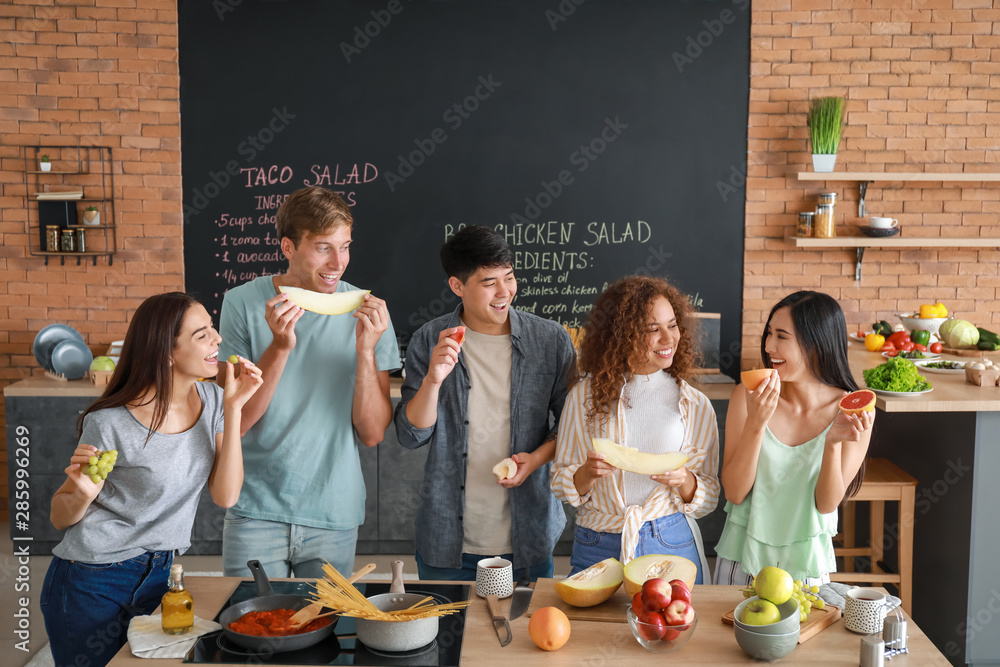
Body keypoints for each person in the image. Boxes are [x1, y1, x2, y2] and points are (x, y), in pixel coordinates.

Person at [40, 292, 263, 667]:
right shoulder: (110, 421)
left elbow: (226, 495)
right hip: (91, 579)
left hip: (161, 575)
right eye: (202, 334)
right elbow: (60, 518)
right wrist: (82, 493)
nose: (217, 339)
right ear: (167, 352)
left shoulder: (213, 401)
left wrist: (234, 408)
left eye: (212, 329)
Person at [218, 186, 400, 578]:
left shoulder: (369, 314)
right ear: (289, 246)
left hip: (333, 511)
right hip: (255, 510)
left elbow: (371, 434)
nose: (339, 262)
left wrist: (366, 352)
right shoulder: (240, 303)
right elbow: (237, 420)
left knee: (325, 636)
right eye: (323, 248)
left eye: (346, 246)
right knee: (252, 630)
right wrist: (280, 347)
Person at [394, 224, 577, 581]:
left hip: (529, 535)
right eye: (488, 282)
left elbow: (572, 424)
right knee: (448, 633)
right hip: (446, 538)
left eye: (508, 277)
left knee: (522, 635)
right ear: (457, 286)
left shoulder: (550, 340)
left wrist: (536, 459)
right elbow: (410, 435)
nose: (504, 291)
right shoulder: (429, 339)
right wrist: (434, 378)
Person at [551, 275, 720, 581]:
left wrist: (684, 480)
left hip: (671, 540)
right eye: (652, 330)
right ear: (622, 334)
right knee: (593, 630)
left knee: (673, 629)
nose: (669, 339)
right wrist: (587, 473)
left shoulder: (695, 404)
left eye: (672, 325)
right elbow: (560, 482)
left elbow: (708, 498)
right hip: (598, 540)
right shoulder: (583, 396)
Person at [713, 291, 873, 587]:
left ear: (816, 345)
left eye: (781, 336)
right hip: (740, 562)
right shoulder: (746, 397)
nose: (768, 346)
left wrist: (833, 443)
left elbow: (826, 505)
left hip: (806, 570)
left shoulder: (852, 412)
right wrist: (756, 425)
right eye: (769, 333)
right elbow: (735, 493)